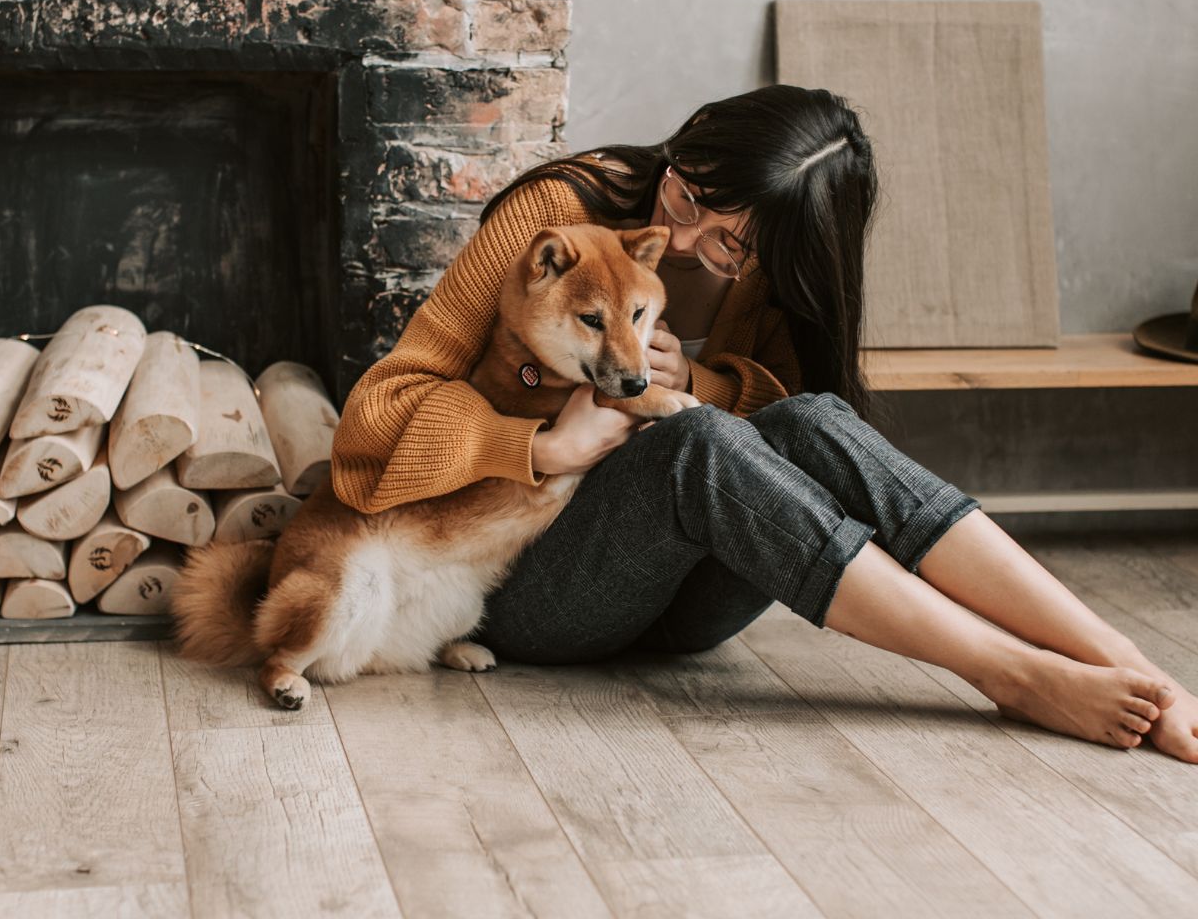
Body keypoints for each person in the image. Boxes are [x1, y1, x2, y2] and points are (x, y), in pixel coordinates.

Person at [330, 84, 1197, 763]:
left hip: (686, 607)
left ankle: (1134, 665)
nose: (681, 232)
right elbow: (374, 419)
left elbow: (791, 432)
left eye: (726, 244)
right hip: (517, 591)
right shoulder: (562, 219)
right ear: (692, 137)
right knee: (697, 443)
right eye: (687, 191)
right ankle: (1007, 673)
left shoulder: (773, 278)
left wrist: (700, 380)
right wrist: (536, 443)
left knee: (813, 419)